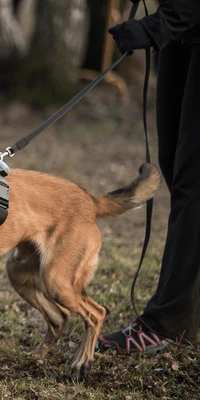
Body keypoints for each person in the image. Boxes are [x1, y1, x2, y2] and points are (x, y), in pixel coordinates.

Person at [97, 0, 200, 353]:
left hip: (179, 21)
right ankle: (186, 315)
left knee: (194, 187)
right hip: (182, 37)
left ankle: (166, 323)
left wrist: (159, 25)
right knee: (175, 168)